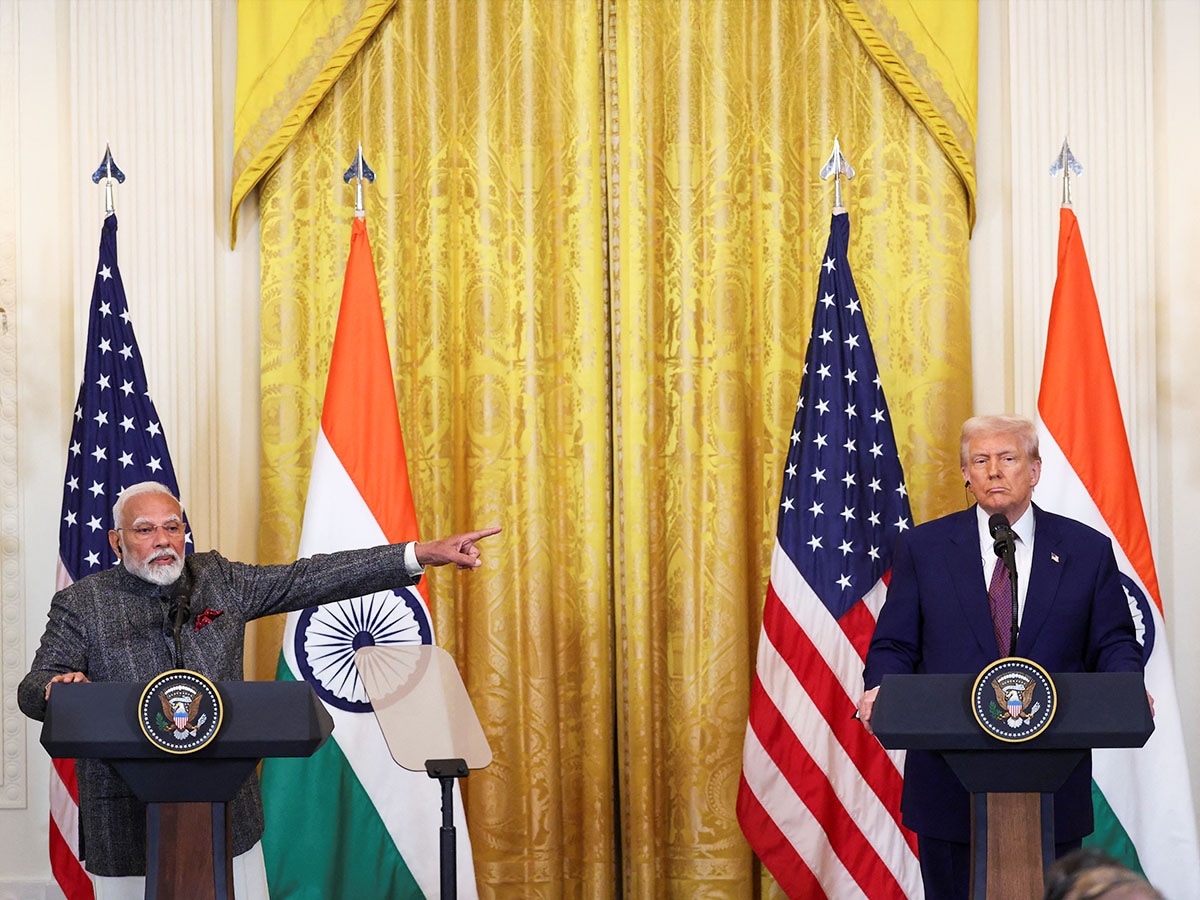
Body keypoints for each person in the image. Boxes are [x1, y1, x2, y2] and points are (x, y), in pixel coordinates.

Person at [18, 480, 500, 900]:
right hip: (125, 818)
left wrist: (419, 554)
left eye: (173, 527)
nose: (163, 540)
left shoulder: (219, 580)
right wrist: (58, 689)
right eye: (145, 530)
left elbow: (309, 577)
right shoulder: (82, 603)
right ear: (117, 540)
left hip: (227, 816)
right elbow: (34, 685)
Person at [855, 415, 1144, 900]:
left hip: (1053, 782)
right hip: (949, 787)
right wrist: (883, 686)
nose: (994, 471)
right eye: (981, 461)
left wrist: (1126, 691)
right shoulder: (924, 548)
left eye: (1008, 458)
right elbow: (895, 643)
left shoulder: (1085, 549)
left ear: (1034, 470)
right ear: (965, 474)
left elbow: (1114, 642)